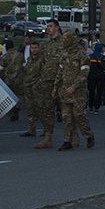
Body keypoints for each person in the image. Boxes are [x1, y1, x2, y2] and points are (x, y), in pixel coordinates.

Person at [33, 20, 72, 150]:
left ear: (57, 28)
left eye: (51, 26)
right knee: (46, 109)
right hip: (47, 80)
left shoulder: (64, 43)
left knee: (66, 110)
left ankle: (73, 135)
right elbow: (44, 62)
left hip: (62, 80)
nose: (48, 29)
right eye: (47, 26)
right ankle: (48, 137)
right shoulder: (47, 45)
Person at [55, 30, 95, 151]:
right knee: (66, 117)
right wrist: (55, 87)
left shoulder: (82, 55)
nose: (63, 41)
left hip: (78, 92)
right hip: (65, 91)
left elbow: (84, 73)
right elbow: (60, 71)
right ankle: (67, 141)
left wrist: (75, 86)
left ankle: (88, 136)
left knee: (79, 115)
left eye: (66, 39)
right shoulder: (64, 54)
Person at [0, 40, 24, 121]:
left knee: (9, 97)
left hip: (8, 80)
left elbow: (1, 69)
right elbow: (23, 66)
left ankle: (12, 111)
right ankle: (17, 107)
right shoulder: (20, 55)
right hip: (19, 79)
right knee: (18, 96)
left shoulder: (5, 56)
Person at [21, 42, 43, 137]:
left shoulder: (42, 60)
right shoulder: (29, 60)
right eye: (32, 48)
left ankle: (46, 131)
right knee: (30, 109)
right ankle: (31, 129)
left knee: (41, 110)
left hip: (37, 88)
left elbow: (44, 74)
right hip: (28, 88)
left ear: (39, 49)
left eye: (35, 48)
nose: (34, 49)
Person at [87, 43, 105, 114]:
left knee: (91, 91)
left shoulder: (90, 57)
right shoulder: (103, 57)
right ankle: (97, 107)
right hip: (100, 76)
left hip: (91, 76)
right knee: (99, 93)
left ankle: (91, 106)